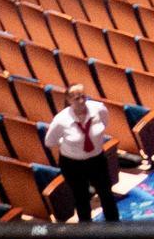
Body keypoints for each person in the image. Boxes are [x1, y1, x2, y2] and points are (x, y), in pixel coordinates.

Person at [45, 85, 120, 223]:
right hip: (73, 164)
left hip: (97, 160)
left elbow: (105, 123)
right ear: (68, 100)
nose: (81, 101)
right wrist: (69, 145)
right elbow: (50, 141)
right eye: (76, 98)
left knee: (106, 193)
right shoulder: (61, 120)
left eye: (83, 96)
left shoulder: (98, 109)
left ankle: (114, 226)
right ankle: (87, 232)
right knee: (82, 198)